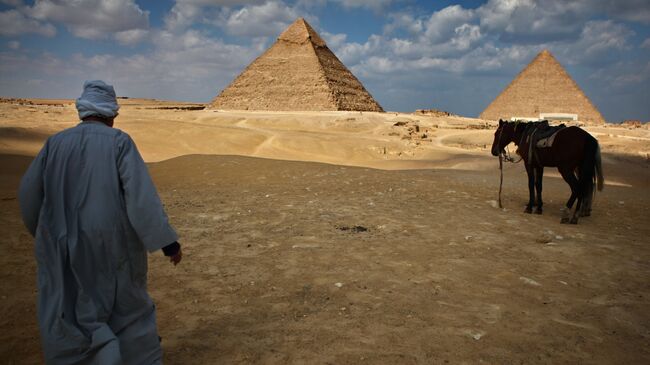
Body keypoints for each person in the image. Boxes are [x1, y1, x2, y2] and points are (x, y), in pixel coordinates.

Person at [18, 80, 182, 364]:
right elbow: (140, 197)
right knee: (127, 310)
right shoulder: (119, 141)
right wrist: (168, 243)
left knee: (69, 309)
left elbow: (28, 195)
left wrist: (48, 236)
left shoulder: (54, 143)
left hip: (63, 246)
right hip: (112, 245)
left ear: (82, 111)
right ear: (113, 113)